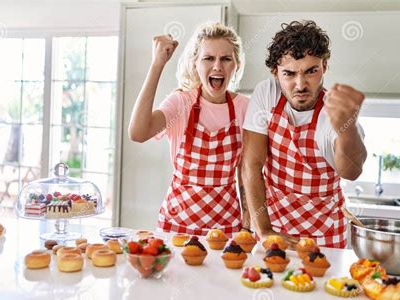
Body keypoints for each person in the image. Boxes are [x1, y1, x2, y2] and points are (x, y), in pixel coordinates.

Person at [242, 20, 367, 248]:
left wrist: (347, 128)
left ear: (324, 67)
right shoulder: (267, 94)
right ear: (275, 73)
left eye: (311, 71)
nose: (300, 85)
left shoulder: (333, 113)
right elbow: (252, 165)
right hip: (273, 224)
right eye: (289, 74)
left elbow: (351, 171)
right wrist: (263, 230)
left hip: (325, 234)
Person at [128, 22, 250, 236]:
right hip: (176, 226)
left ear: (236, 65)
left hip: (226, 228)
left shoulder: (244, 107)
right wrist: (157, 64)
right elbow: (137, 133)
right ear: (195, 64)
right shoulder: (181, 103)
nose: (217, 66)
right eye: (209, 58)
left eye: (226, 59)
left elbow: (246, 171)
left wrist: (248, 221)